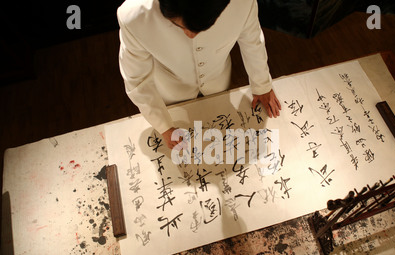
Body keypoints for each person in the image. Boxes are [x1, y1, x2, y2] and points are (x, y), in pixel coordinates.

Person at [117, 0, 281, 149]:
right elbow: (136, 79)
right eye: (178, 25)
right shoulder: (134, 16)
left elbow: (253, 43)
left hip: (218, 81)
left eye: (203, 27)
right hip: (169, 90)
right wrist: (163, 125)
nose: (191, 35)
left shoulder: (242, 3)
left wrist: (262, 86)